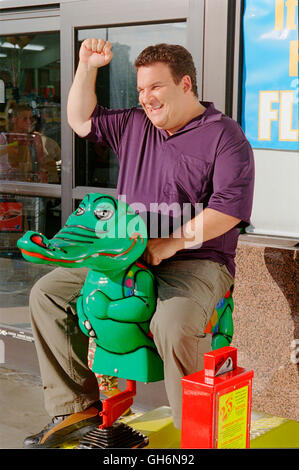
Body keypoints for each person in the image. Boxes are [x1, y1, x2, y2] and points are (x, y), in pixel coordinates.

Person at [24, 39, 254, 448]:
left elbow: (229, 209)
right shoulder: (135, 123)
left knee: (174, 323)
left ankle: (197, 436)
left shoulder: (224, 135)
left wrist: (169, 244)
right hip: (123, 256)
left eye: (156, 88)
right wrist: (86, 66)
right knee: (48, 294)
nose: (146, 98)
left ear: (185, 84)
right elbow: (80, 119)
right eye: (141, 89)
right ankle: (75, 407)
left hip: (196, 260)